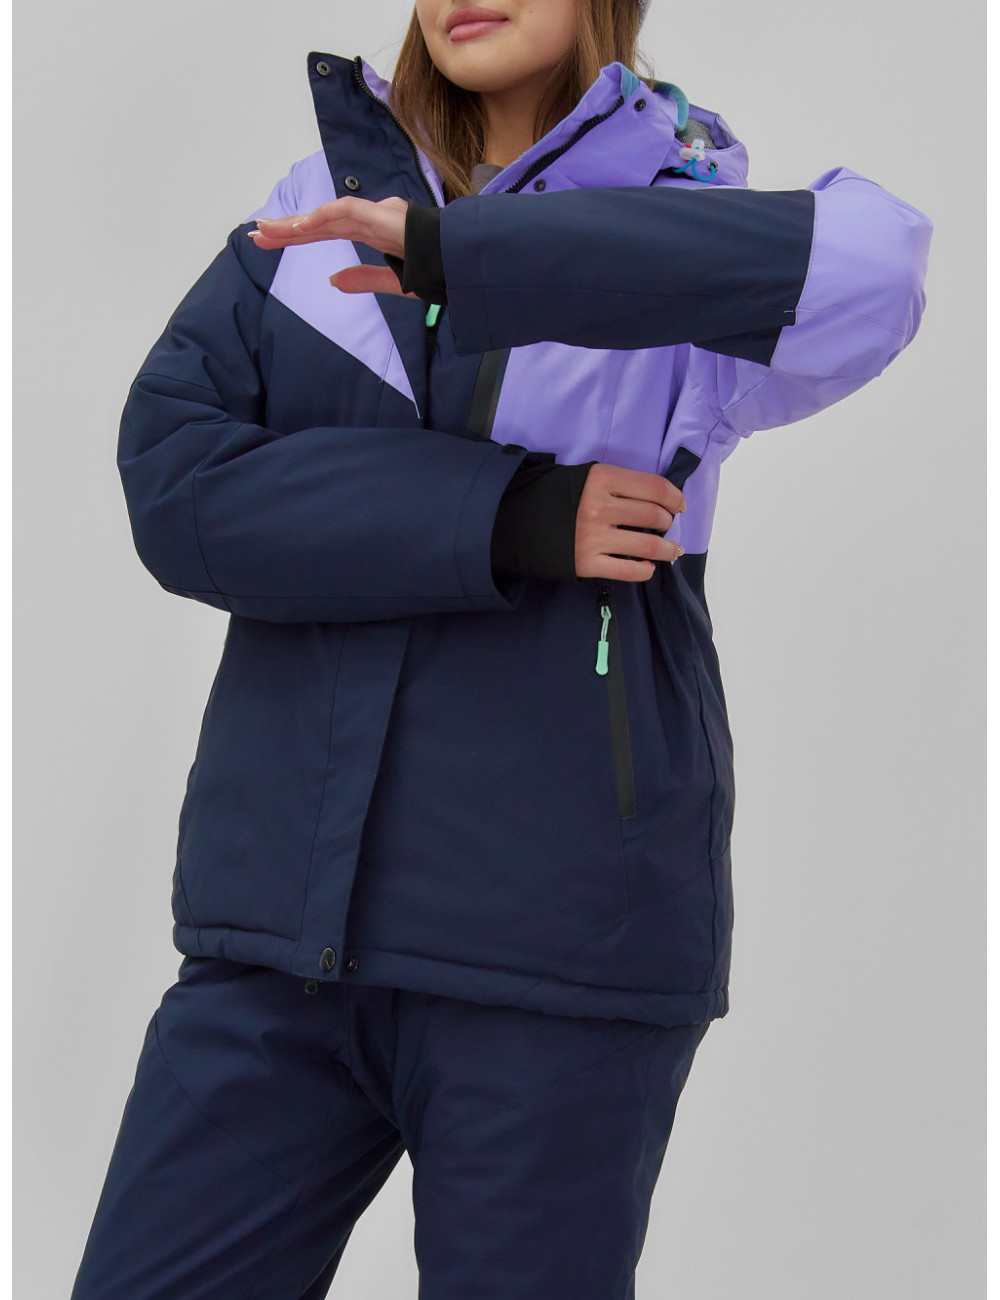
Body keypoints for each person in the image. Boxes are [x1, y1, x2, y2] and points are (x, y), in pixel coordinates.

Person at [71, 1, 932, 1296]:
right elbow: (177, 487)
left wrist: (463, 255)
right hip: (275, 942)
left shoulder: (684, 213)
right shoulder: (312, 213)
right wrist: (511, 512)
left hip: (555, 947)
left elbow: (882, 269)